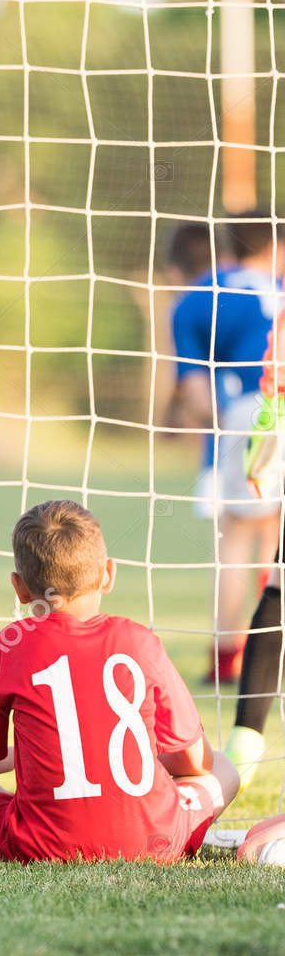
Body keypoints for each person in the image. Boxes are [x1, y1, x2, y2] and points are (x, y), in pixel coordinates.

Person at [0, 500, 238, 862]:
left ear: (20, 588)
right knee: (224, 767)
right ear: (108, 573)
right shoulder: (140, 640)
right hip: (155, 841)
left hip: (41, 846)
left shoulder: (10, 646)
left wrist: (27, 757)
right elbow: (197, 763)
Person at [165, 216, 280, 686]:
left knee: (235, 537)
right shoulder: (278, 285)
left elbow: (197, 397)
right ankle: (275, 645)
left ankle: (227, 654)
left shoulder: (200, 296)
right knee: (273, 536)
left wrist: (223, 428)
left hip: (256, 410)